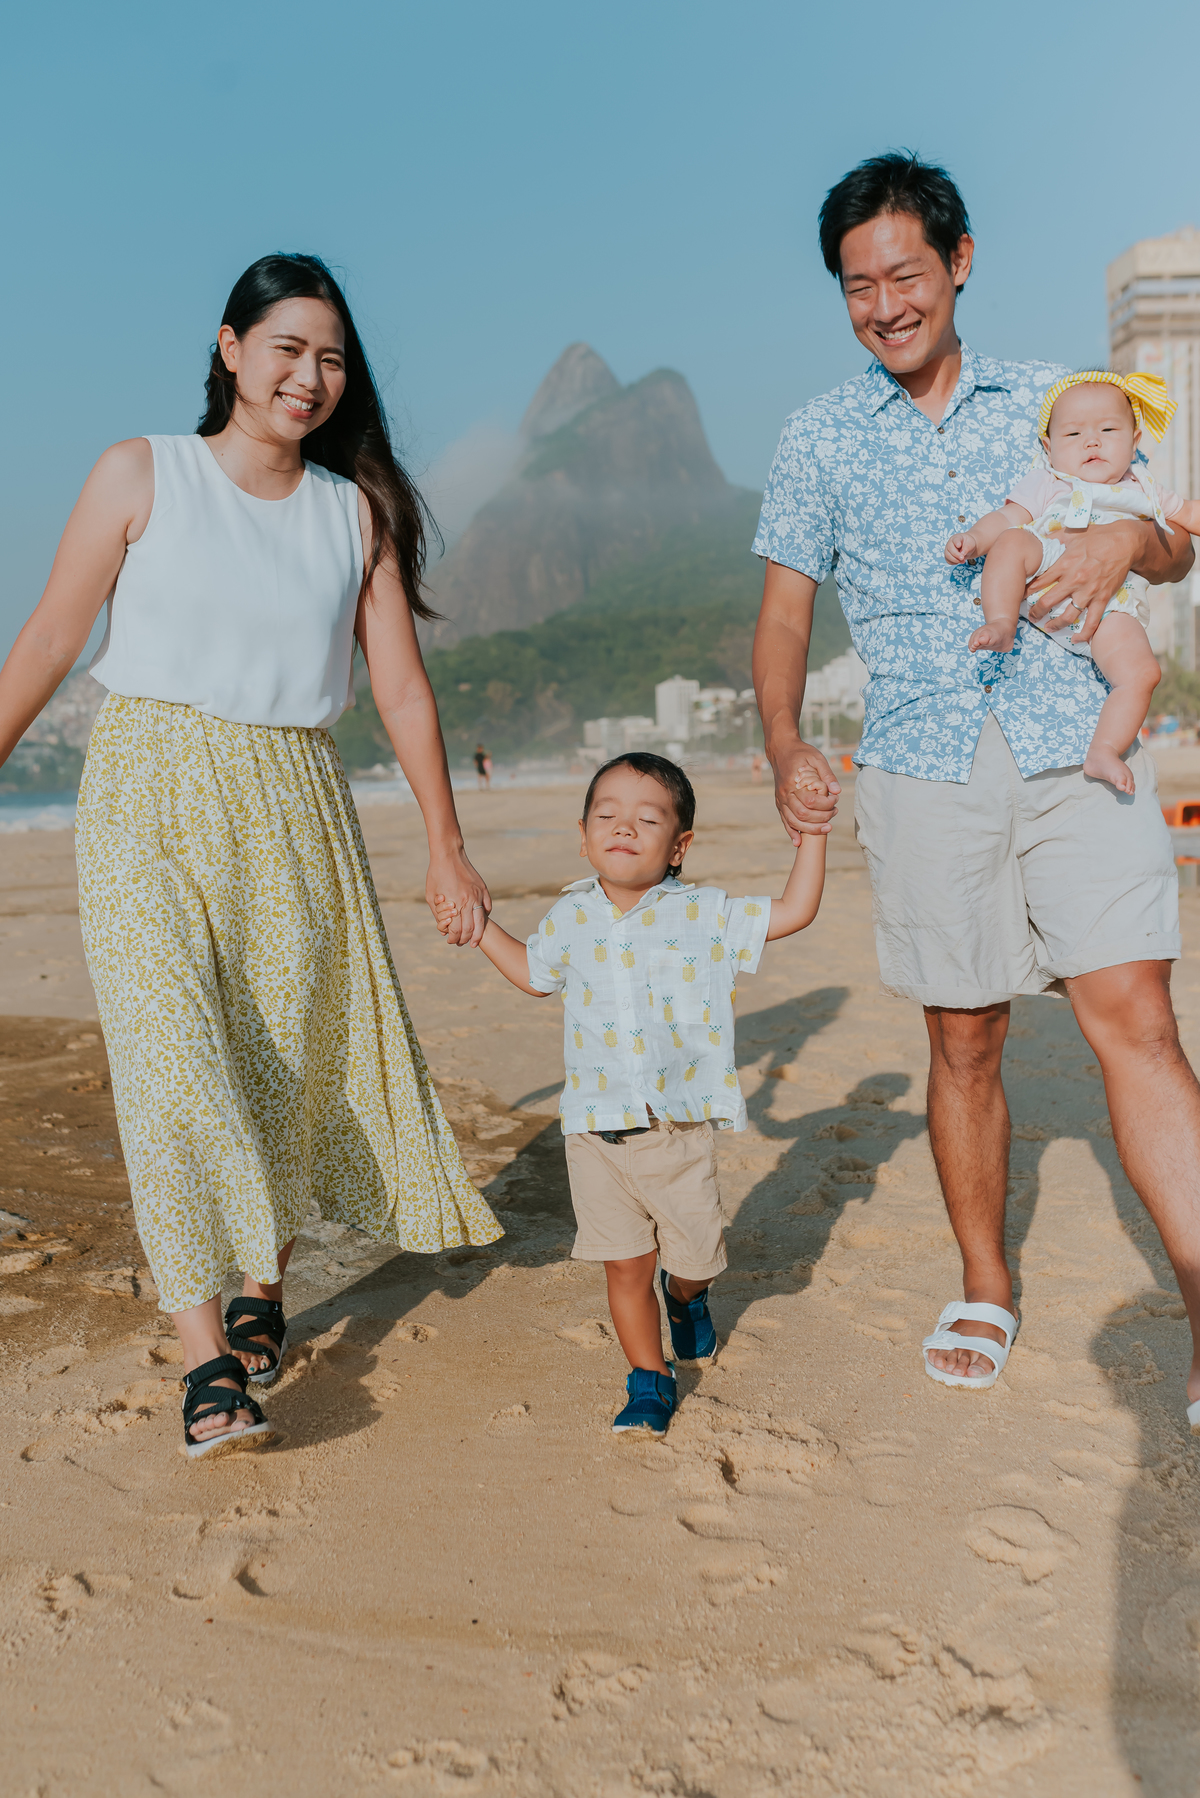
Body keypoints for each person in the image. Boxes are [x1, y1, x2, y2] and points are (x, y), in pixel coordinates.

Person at [0, 253, 502, 1459]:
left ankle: (261, 1286)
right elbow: (55, 635)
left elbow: (401, 688)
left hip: (292, 797)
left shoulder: (354, 512)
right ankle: (206, 1364)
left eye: (331, 357)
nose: (310, 376)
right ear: (229, 348)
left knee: (279, 1064)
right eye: (286, 348)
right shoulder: (142, 472)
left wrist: (448, 847)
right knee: (173, 1064)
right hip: (144, 788)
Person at [751, 152, 1200, 1421]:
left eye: (904, 271)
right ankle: (986, 1280)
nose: (884, 302)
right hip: (921, 764)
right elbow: (784, 613)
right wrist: (786, 736)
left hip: (1079, 746)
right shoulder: (817, 436)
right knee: (964, 1036)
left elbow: (1164, 537)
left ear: (957, 262)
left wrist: (1121, 538)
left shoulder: (1059, 396)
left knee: (1140, 1023)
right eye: (857, 285)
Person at [436, 752, 827, 1435]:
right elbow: (534, 973)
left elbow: (795, 911)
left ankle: (688, 1302)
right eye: (606, 815)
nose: (624, 827)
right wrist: (477, 928)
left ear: (678, 847)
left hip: (677, 1134)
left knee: (694, 1262)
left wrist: (815, 837)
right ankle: (648, 1376)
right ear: (584, 835)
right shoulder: (569, 916)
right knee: (625, 1266)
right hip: (595, 1133)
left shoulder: (703, 913)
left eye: (647, 819)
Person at [948, 370, 1200, 792]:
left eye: (1107, 430)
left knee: (1142, 674)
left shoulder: (1145, 487)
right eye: (1074, 434)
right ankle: (1001, 622)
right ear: (1048, 447)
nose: (1092, 441)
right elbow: (1007, 517)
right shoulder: (1050, 480)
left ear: (1134, 440)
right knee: (1011, 541)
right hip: (1045, 568)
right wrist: (975, 538)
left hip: (1111, 605)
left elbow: (1188, 518)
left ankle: (1103, 750)